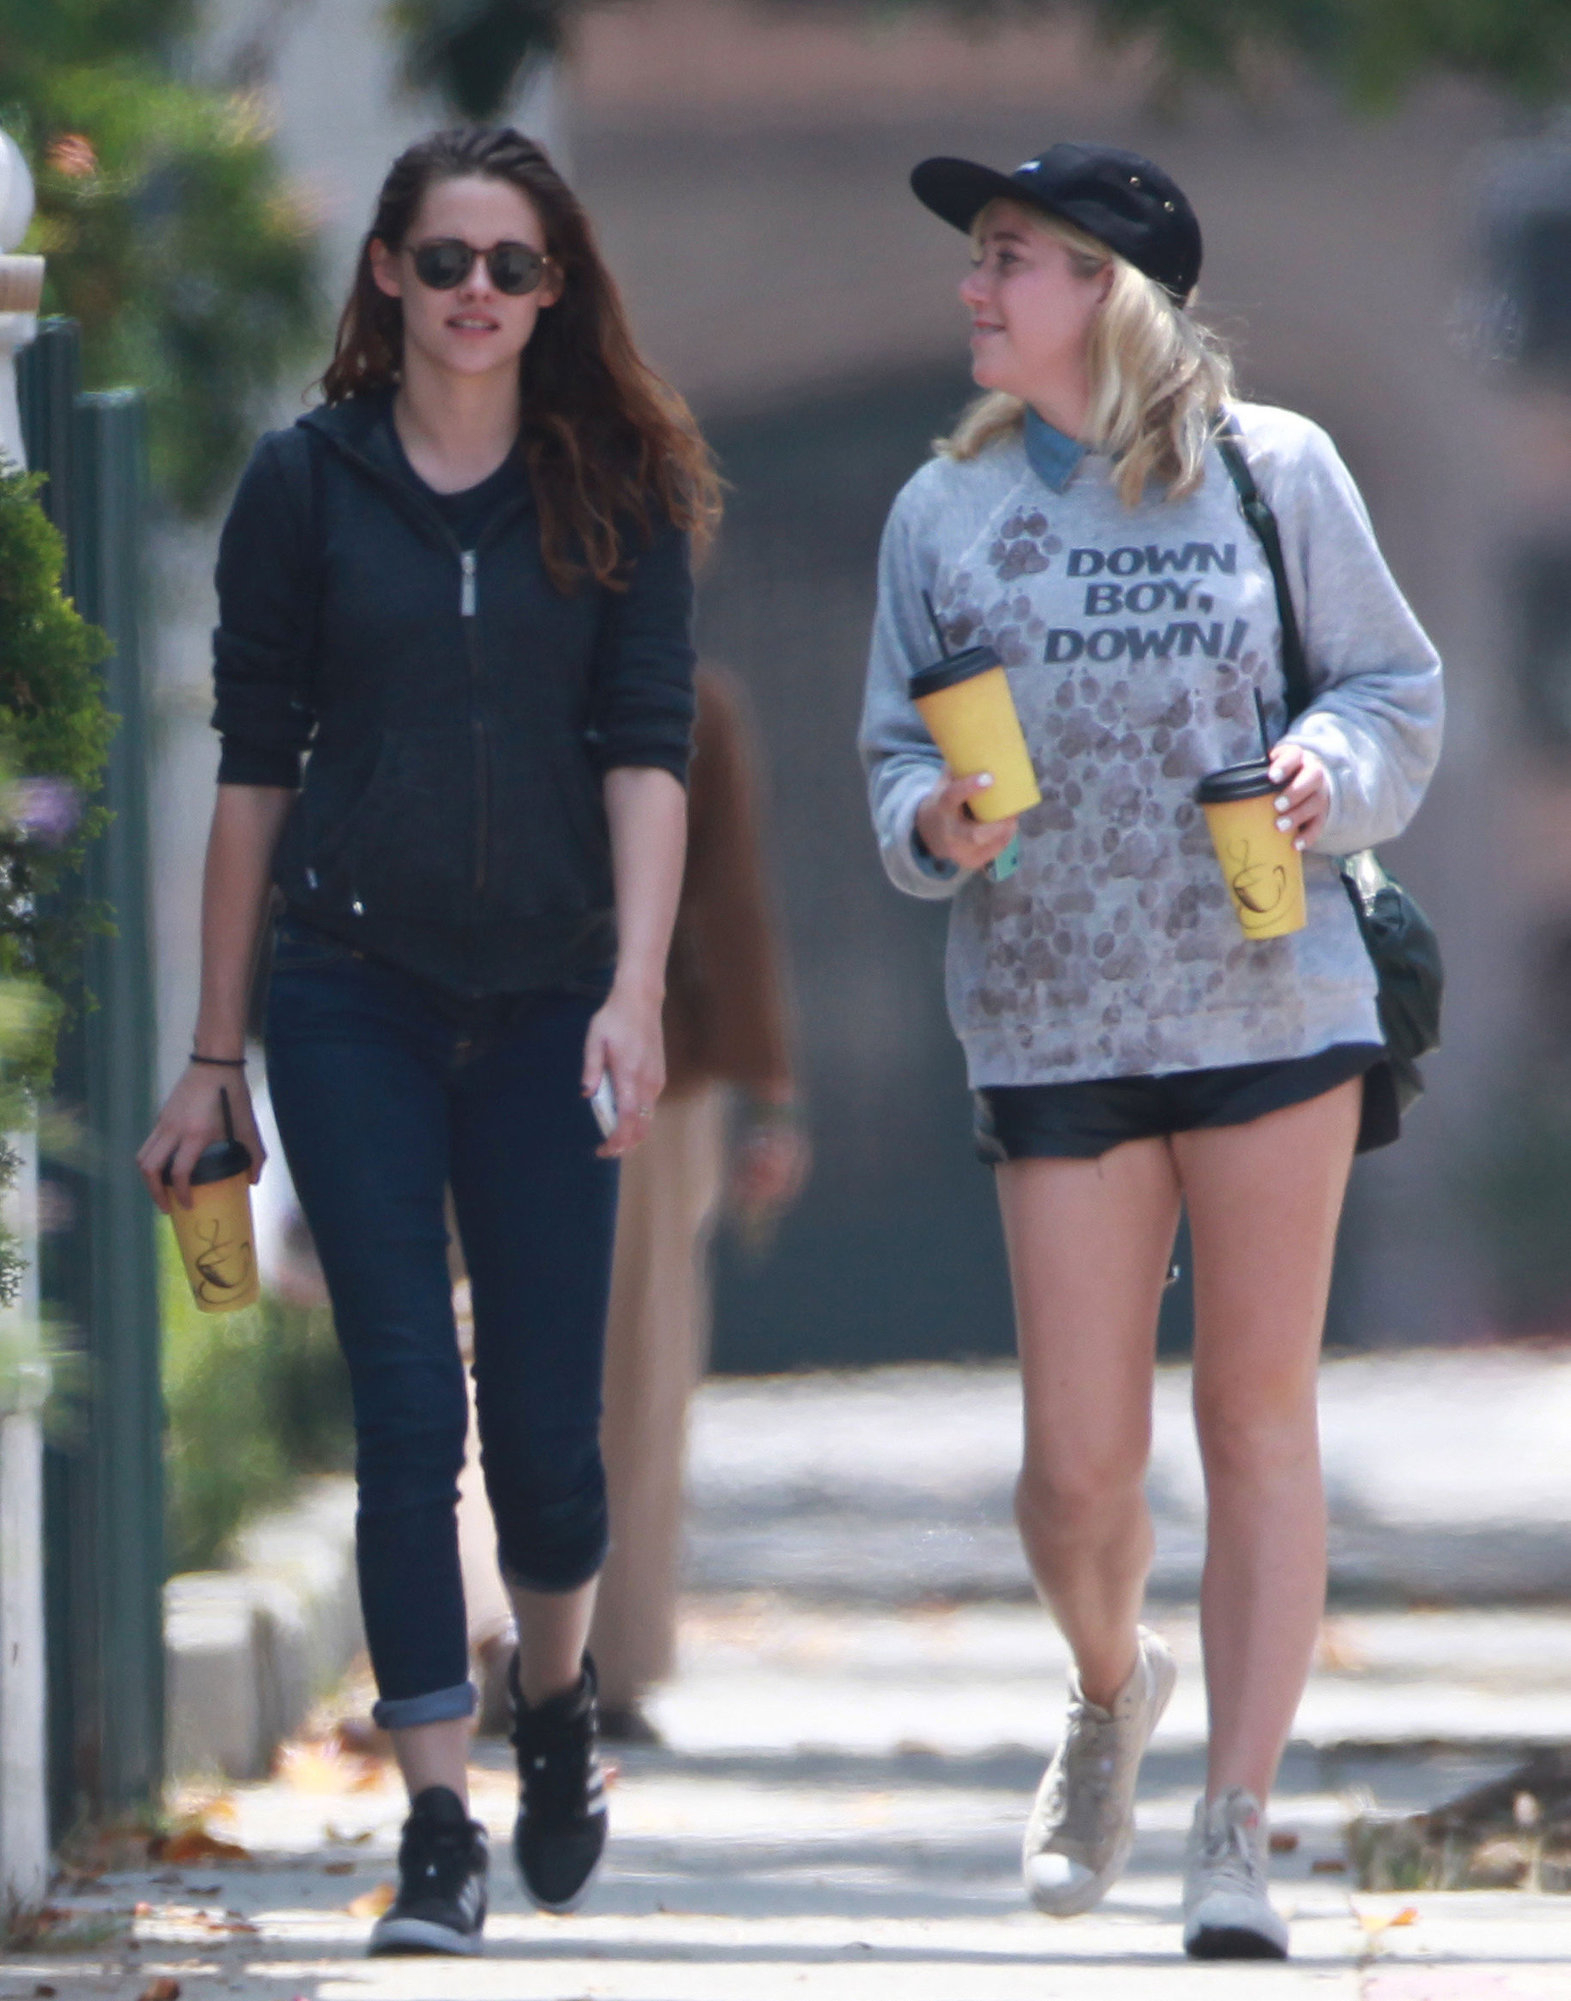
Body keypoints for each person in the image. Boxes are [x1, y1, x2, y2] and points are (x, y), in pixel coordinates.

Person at [138, 124, 719, 1958]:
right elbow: (252, 776)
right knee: (405, 1411)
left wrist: (633, 990)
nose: (479, 294)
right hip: (349, 991)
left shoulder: (618, 487)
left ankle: (553, 1708)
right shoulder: (302, 489)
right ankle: (441, 1827)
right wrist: (214, 1054)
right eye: (446, 258)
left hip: (553, 998)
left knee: (546, 1438)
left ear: (559, 291)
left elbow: (649, 751)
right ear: (385, 271)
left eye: (514, 266)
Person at [859, 142, 1441, 1959]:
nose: (975, 287)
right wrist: (934, 824)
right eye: (977, 261)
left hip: (1274, 996)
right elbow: (891, 758)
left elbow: (1390, 690)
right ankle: (1114, 1690)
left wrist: (1327, 773)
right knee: (1074, 1475)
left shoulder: (1280, 474)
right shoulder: (936, 517)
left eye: (1008, 258)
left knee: (1257, 1415)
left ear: (1106, 285)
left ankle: (1237, 1829)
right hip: (1052, 1020)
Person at [457, 665, 809, 1742]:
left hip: (632, 1061)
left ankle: (570, 1657)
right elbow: (729, 899)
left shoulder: (686, 702)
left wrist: (767, 1093)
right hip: (529, 1048)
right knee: (603, 1362)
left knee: (538, 1350)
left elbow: (724, 896)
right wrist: (770, 1100)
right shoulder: (646, 692)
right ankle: (554, 1655)